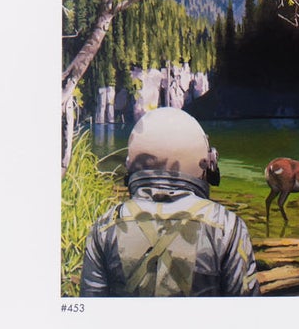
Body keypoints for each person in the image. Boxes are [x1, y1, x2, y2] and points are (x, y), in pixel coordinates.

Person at [79, 107, 259, 297]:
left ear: (130, 164)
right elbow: (246, 315)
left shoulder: (104, 227)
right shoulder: (227, 226)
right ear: (208, 163)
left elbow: (90, 313)